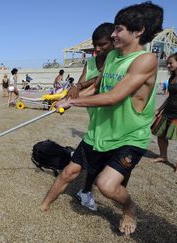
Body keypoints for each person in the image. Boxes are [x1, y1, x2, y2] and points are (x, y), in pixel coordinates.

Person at [41, 2, 163, 236]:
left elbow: (114, 97)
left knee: (106, 185)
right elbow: (97, 88)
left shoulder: (145, 60)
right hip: (100, 131)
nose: (113, 34)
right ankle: (44, 204)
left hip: (130, 136)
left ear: (138, 31)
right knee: (68, 172)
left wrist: (72, 102)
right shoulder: (112, 56)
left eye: (118, 29)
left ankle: (129, 208)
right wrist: (64, 98)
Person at [66, 22, 116, 211]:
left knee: (102, 156)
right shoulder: (90, 62)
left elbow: (98, 81)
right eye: (95, 45)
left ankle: (89, 190)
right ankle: (87, 190)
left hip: (110, 110)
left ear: (113, 41)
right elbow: (81, 84)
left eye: (102, 44)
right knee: (96, 155)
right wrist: (72, 92)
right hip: (94, 111)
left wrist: (79, 89)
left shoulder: (114, 59)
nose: (97, 49)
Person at [151, 52, 177, 174]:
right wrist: (160, 109)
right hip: (168, 110)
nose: (168, 65)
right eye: (168, 63)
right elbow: (170, 96)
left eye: (171, 63)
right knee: (160, 134)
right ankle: (163, 156)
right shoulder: (171, 78)